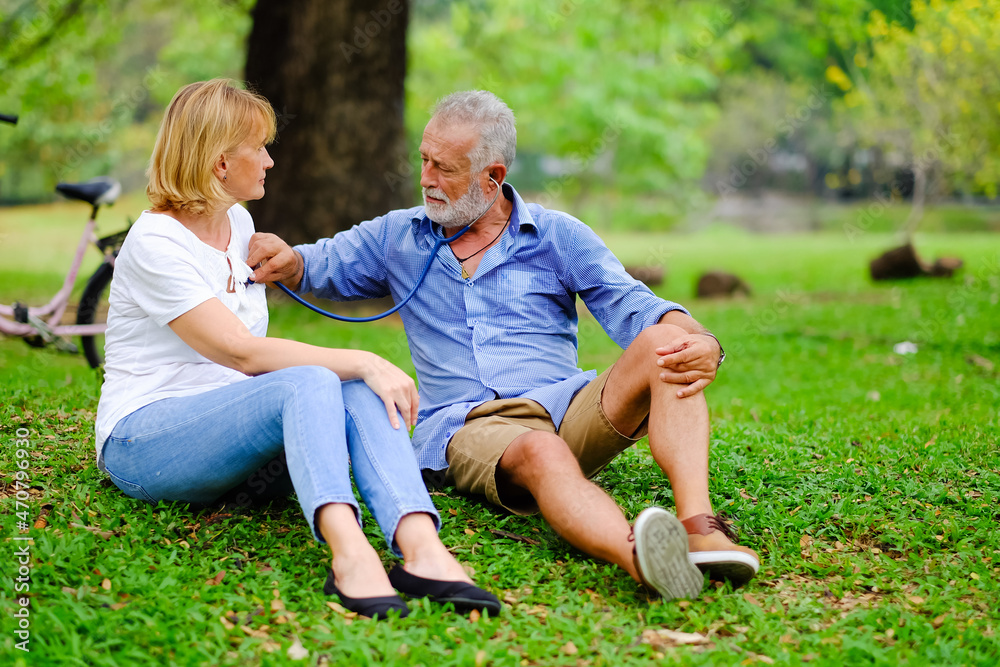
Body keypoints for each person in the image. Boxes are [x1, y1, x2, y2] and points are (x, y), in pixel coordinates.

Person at [249, 90, 760, 602]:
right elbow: (317, 264)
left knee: (667, 343)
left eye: (444, 168)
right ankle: (645, 560)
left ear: (492, 178)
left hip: (565, 405)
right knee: (542, 452)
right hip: (471, 424)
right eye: (424, 160)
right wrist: (286, 259)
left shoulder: (556, 235)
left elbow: (633, 303)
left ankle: (700, 527)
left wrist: (703, 343)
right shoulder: (397, 237)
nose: (426, 178)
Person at [93, 79, 500, 620]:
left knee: (350, 387)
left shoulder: (237, 222)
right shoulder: (154, 244)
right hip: (146, 441)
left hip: (239, 439)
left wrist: (356, 370)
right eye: (258, 149)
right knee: (318, 375)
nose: (269, 161)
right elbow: (240, 353)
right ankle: (349, 554)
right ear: (219, 164)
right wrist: (367, 359)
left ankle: (423, 549)